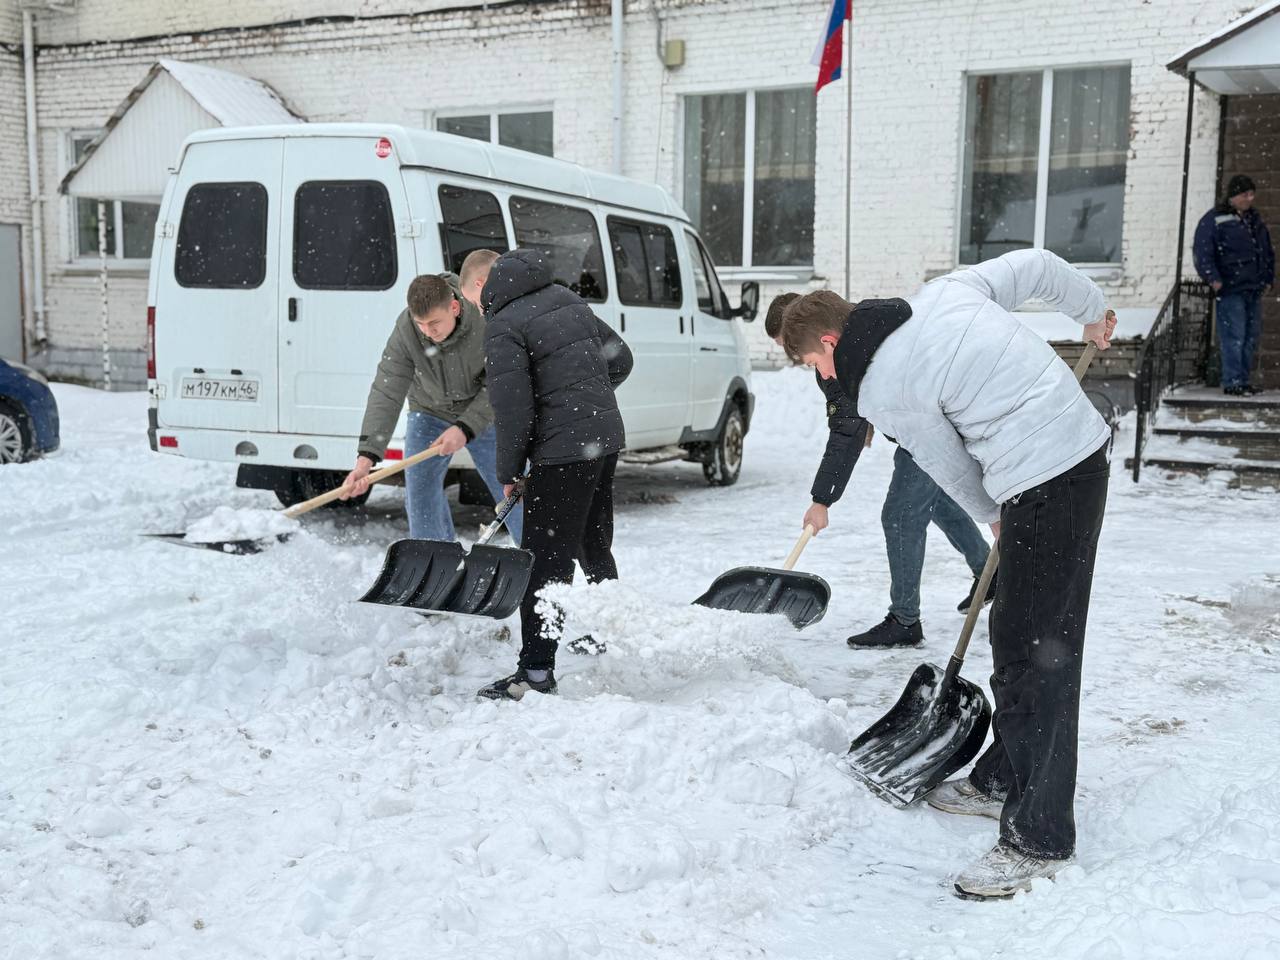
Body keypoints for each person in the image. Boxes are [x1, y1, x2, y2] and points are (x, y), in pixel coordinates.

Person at [781, 248, 1117, 899]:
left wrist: (993, 513)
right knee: (1017, 635)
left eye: (811, 364)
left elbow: (949, 465)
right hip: (1070, 456)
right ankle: (1002, 776)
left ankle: (1041, 837)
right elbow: (1038, 265)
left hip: (1049, 476)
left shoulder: (882, 386)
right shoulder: (943, 293)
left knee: (1039, 653)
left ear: (830, 342)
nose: (820, 376)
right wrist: (1091, 310)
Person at [764, 294, 994, 650]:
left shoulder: (840, 351)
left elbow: (846, 431)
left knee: (901, 515)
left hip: (928, 428)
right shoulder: (846, 338)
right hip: (925, 426)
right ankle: (990, 571)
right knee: (933, 502)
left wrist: (822, 499)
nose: (792, 356)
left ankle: (905, 620)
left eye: (790, 347)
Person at [476, 248, 633, 701]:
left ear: (484, 289)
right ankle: (608, 630)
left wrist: (509, 470)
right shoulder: (568, 299)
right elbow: (621, 359)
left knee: (545, 560)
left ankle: (536, 672)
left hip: (564, 452)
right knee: (591, 543)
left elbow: (513, 410)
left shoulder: (503, 324)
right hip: (603, 439)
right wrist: (583, 399)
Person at [340, 250, 523, 544]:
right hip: (429, 411)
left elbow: (501, 383)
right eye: (421, 324)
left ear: (454, 307)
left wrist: (465, 427)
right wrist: (366, 459)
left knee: (512, 487)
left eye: (434, 323)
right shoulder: (407, 329)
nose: (427, 332)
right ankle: (436, 560)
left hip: (483, 411)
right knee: (420, 493)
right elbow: (387, 389)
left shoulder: (484, 318)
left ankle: (537, 554)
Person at [1193, 174, 1274, 396]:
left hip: (1253, 287)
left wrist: (1268, 277)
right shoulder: (1215, 219)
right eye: (1245, 194)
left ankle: (1243, 380)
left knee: (1250, 338)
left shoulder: (1254, 220)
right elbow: (1203, 251)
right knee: (1234, 336)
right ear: (1234, 195)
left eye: (1252, 194)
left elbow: (1266, 251)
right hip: (1231, 288)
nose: (1250, 199)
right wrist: (1213, 278)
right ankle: (1232, 381)